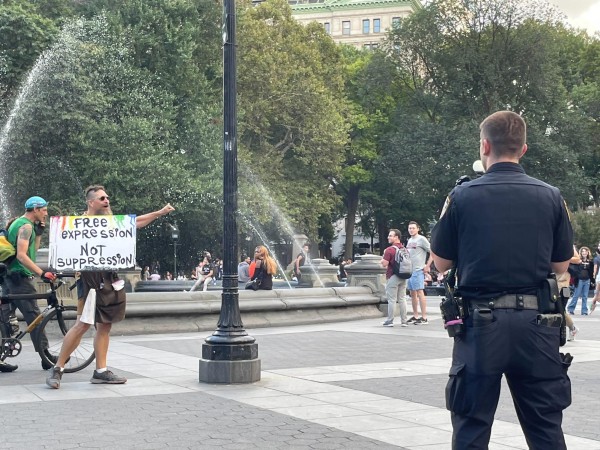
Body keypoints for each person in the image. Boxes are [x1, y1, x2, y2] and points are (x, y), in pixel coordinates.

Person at [431, 111, 573, 449]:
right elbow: (560, 264)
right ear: (523, 148)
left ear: (484, 146)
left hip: (480, 326)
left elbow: (440, 262)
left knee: (471, 427)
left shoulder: (462, 197)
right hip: (538, 324)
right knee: (544, 428)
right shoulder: (551, 196)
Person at [46, 185, 174, 389]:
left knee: (105, 325)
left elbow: (136, 222)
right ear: (91, 202)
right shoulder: (78, 224)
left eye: (107, 197)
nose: (107, 200)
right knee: (83, 324)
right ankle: (58, 368)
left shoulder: (111, 222)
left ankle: (101, 371)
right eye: (102, 198)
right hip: (89, 280)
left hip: (109, 279)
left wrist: (159, 213)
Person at [0, 196, 58, 373]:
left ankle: (3, 354)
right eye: (44, 210)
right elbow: (22, 256)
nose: (46, 213)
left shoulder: (18, 224)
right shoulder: (25, 227)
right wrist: (41, 273)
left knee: (4, 317)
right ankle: (46, 356)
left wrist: (39, 233)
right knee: (34, 315)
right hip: (20, 278)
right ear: (35, 209)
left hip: (8, 277)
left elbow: (33, 251)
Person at [381, 229, 409, 327]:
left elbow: (384, 264)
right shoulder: (404, 249)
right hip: (404, 276)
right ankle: (404, 321)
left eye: (390, 236)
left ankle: (390, 320)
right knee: (402, 299)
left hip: (393, 276)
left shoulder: (389, 250)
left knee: (392, 299)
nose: (388, 237)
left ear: (396, 237)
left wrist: (382, 258)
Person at [406, 221, 432, 325]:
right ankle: (416, 315)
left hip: (418, 269)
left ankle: (424, 317)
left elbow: (432, 252)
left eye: (413, 228)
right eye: (409, 228)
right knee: (412, 293)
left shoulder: (422, 239)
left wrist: (427, 265)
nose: (411, 230)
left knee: (420, 292)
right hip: (410, 270)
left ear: (418, 229)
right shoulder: (410, 240)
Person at [567, 246, 593, 315]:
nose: (584, 253)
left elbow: (591, 272)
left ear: (588, 253)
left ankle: (584, 311)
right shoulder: (578, 261)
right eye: (583, 251)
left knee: (585, 296)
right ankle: (570, 309)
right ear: (581, 253)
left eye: (585, 251)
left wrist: (592, 280)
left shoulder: (590, 261)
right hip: (579, 280)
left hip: (587, 280)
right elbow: (573, 269)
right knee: (576, 295)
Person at [591, 243, 600, 314]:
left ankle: (591, 309)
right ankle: (591, 308)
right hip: (599, 278)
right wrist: (594, 276)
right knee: (596, 295)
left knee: (596, 295)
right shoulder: (596, 258)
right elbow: (595, 267)